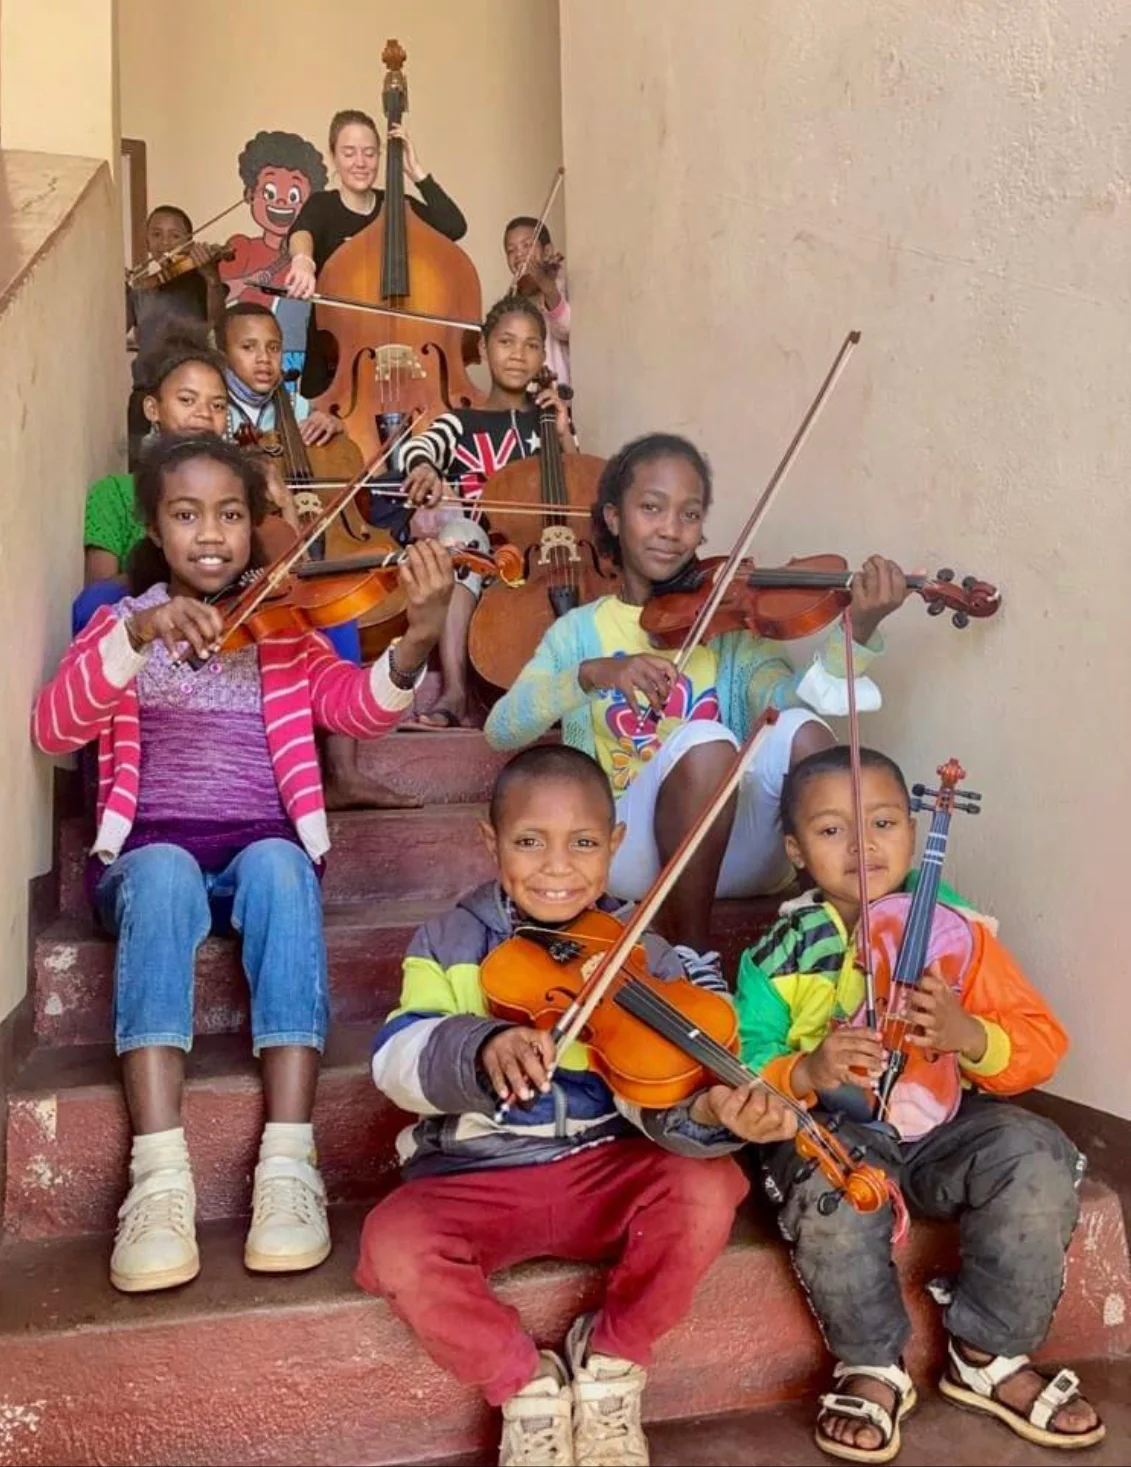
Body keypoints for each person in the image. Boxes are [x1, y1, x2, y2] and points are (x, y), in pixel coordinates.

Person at [32, 432, 455, 1295]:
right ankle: (157, 1176)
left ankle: (288, 1163)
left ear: (258, 525)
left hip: (258, 843)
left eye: (230, 514)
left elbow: (358, 709)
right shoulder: (123, 625)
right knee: (159, 875)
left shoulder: (286, 630)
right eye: (187, 515)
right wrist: (138, 634)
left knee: (282, 864)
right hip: (152, 850)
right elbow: (54, 730)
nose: (212, 535)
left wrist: (413, 638)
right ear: (156, 525)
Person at [356, 742, 798, 1467]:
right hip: (475, 1176)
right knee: (391, 1243)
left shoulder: (642, 951)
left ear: (614, 844)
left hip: (604, 1168)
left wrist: (712, 1116)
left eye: (583, 843)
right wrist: (476, 1043)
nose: (557, 867)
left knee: (711, 1184)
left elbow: (664, 1097)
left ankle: (614, 1354)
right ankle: (522, 1381)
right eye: (530, 841)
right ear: (491, 841)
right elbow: (395, 1058)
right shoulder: (447, 940)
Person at [736, 745, 1103, 1461]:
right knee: (833, 1189)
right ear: (794, 848)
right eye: (832, 829)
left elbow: (1039, 1043)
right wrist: (806, 1067)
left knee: (1034, 1151)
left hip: (938, 1126)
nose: (863, 844)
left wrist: (970, 1036)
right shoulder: (779, 952)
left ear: (911, 829)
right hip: (837, 1128)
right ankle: (871, 1363)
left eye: (880, 822)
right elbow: (745, 1063)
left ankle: (987, 1351)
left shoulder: (955, 932)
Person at [484, 433, 910, 988]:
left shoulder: (730, 634)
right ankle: (693, 955)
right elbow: (501, 728)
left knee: (803, 729)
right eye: (651, 508)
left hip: (737, 852)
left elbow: (795, 714)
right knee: (705, 738)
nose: (670, 529)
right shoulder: (578, 632)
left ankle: (844, 933)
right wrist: (593, 674)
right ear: (614, 516)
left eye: (689, 514)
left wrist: (862, 628)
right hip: (627, 851)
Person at [218, 300, 418, 810]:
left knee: (342, 611)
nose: (264, 359)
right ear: (222, 354)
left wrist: (331, 427)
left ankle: (345, 772)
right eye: (248, 348)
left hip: (316, 550)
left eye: (272, 348)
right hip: (254, 564)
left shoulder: (299, 409)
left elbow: (336, 457)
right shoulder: (215, 412)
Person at [396, 292, 575, 731]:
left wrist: (565, 434)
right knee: (459, 532)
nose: (519, 354)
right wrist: (423, 468)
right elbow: (421, 447)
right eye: (507, 342)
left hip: (539, 557)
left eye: (532, 344)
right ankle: (455, 690)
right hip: (479, 559)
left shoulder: (547, 424)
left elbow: (579, 488)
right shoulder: (460, 422)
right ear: (482, 349)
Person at [284, 108, 467, 401]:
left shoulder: (399, 207)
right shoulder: (322, 207)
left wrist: (416, 171)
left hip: (399, 354)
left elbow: (453, 226)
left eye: (370, 153)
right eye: (349, 152)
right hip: (335, 362)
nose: (360, 162)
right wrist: (303, 261)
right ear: (332, 156)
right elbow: (301, 234)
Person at [127, 206, 229, 464]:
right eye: (157, 234)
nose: (164, 242)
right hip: (145, 390)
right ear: (147, 241)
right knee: (142, 471)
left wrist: (211, 277)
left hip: (189, 395)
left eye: (174, 236)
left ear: (189, 240)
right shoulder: (140, 287)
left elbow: (218, 323)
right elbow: (117, 327)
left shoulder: (199, 280)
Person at [504, 215, 570, 388]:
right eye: (511, 250)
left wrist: (548, 287)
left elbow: (567, 328)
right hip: (527, 396)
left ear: (547, 251)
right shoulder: (515, 295)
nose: (519, 254)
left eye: (527, 245)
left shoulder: (561, 285)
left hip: (561, 394)